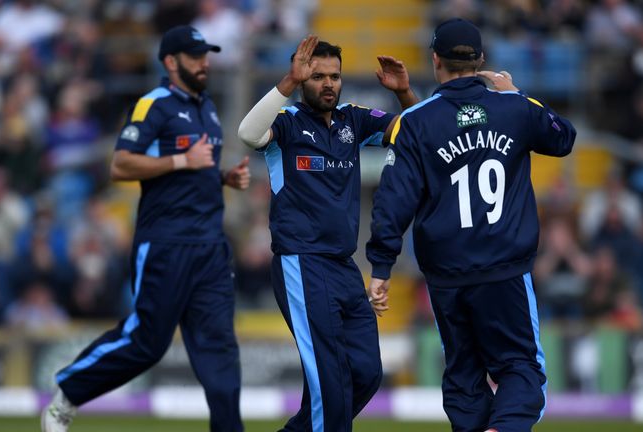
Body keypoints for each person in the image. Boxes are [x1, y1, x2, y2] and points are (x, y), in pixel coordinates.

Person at [365, 18, 577, 432]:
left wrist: (381, 265)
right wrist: (515, 93)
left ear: (434, 60)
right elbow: (563, 137)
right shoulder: (514, 108)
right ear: (481, 61)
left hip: (447, 277)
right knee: (521, 371)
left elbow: (393, 199)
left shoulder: (416, 121)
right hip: (504, 271)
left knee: (463, 377)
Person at [41, 25, 251, 432]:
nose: (204, 62)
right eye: (195, 56)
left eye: (206, 55)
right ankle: (68, 392)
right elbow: (120, 164)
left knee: (220, 351)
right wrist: (180, 162)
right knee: (146, 344)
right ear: (171, 62)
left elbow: (195, 167)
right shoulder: (152, 105)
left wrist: (223, 176)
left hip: (209, 246)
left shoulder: (206, 106)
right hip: (165, 243)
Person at [237, 36, 417, 431]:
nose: (328, 84)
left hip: (343, 268)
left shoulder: (353, 120)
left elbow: (417, 131)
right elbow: (248, 133)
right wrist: (286, 82)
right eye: (317, 76)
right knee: (330, 387)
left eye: (334, 76)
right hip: (301, 265)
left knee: (366, 374)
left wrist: (404, 92)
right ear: (302, 79)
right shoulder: (286, 125)